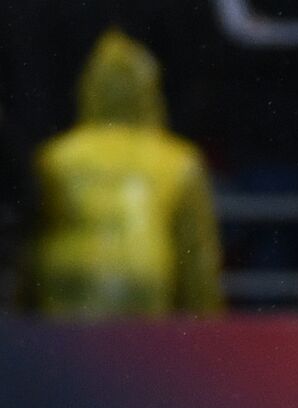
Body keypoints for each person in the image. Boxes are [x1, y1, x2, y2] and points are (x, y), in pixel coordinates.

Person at [22, 29, 223, 318]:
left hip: (65, 277)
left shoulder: (56, 156)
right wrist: (207, 330)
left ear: (88, 88)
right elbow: (198, 262)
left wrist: (19, 316)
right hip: (147, 276)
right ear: (151, 91)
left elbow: (30, 243)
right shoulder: (179, 160)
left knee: (66, 360)